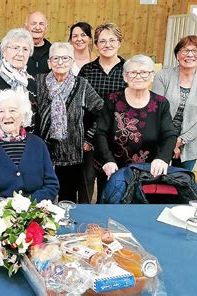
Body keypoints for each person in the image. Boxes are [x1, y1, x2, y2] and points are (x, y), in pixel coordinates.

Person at [95, 55, 178, 185]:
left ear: (152, 76)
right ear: (125, 76)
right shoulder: (112, 99)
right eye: (133, 72)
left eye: (144, 72)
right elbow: (100, 132)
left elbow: (170, 134)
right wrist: (107, 160)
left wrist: (163, 158)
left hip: (149, 170)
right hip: (113, 168)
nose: (138, 76)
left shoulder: (161, 103)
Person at [36, 43, 103, 203]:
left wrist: (89, 137)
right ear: (49, 62)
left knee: (68, 194)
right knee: (41, 192)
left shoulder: (82, 85)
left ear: (72, 62)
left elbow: (101, 110)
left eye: (65, 58)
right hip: (41, 148)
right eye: (56, 58)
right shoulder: (38, 82)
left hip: (71, 149)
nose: (60, 62)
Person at [0, 89, 59, 201]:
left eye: (12, 110)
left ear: (23, 115)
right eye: (1, 111)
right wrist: (6, 206)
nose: (7, 116)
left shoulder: (38, 145)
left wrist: (27, 204)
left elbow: (51, 185)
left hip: (35, 211)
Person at [78, 22, 128, 203]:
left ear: (119, 42)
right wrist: (87, 137)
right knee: (86, 182)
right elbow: (81, 106)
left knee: (111, 185)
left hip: (117, 138)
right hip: (89, 138)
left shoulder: (128, 70)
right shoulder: (87, 70)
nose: (107, 45)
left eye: (112, 40)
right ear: (96, 45)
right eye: (102, 41)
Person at [152, 35, 197, 171]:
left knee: (180, 184)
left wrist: (180, 140)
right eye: (185, 50)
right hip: (159, 139)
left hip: (191, 143)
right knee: (153, 182)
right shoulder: (163, 76)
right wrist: (170, 141)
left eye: (196, 51)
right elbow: (156, 110)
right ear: (177, 55)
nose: (190, 55)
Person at [24, 11, 52, 76]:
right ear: (25, 26)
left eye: (41, 24)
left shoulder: (53, 51)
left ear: (46, 28)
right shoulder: (17, 50)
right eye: (33, 23)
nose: (37, 27)